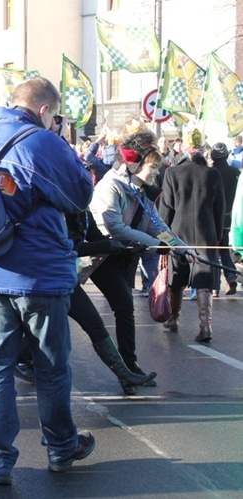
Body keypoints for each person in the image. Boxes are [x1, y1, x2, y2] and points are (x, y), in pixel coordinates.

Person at [0, 77, 95, 484]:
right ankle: (61, 448)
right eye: (54, 117)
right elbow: (81, 194)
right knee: (51, 367)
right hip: (40, 273)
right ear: (44, 111)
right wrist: (63, 145)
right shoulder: (43, 141)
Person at [89, 130, 199, 371]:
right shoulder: (111, 186)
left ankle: (129, 366)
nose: (158, 172)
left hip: (123, 257)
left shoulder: (141, 192)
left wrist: (181, 248)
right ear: (135, 165)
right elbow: (115, 227)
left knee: (124, 309)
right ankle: (26, 354)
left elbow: (158, 226)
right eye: (154, 167)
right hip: (100, 256)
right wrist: (155, 243)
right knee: (73, 312)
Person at [158, 132, 224, 342]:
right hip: (206, 233)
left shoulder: (173, 173)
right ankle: (205, 326)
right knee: (203, 278)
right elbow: (220, 209)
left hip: (178, 232)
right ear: (203, 149)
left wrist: (163, 239)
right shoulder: (212, 174)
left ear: (185, 149)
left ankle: (173, 319)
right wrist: (218, 235)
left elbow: (165, 210)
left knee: (176, 277)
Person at [209, 142, 239, 295]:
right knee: (225, 249)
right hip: (232, 218)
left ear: (212, 156)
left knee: (213, 251)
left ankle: (215, 286)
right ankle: (231, 276)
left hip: (213, 217)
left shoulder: (209, 172)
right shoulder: (235, 172)